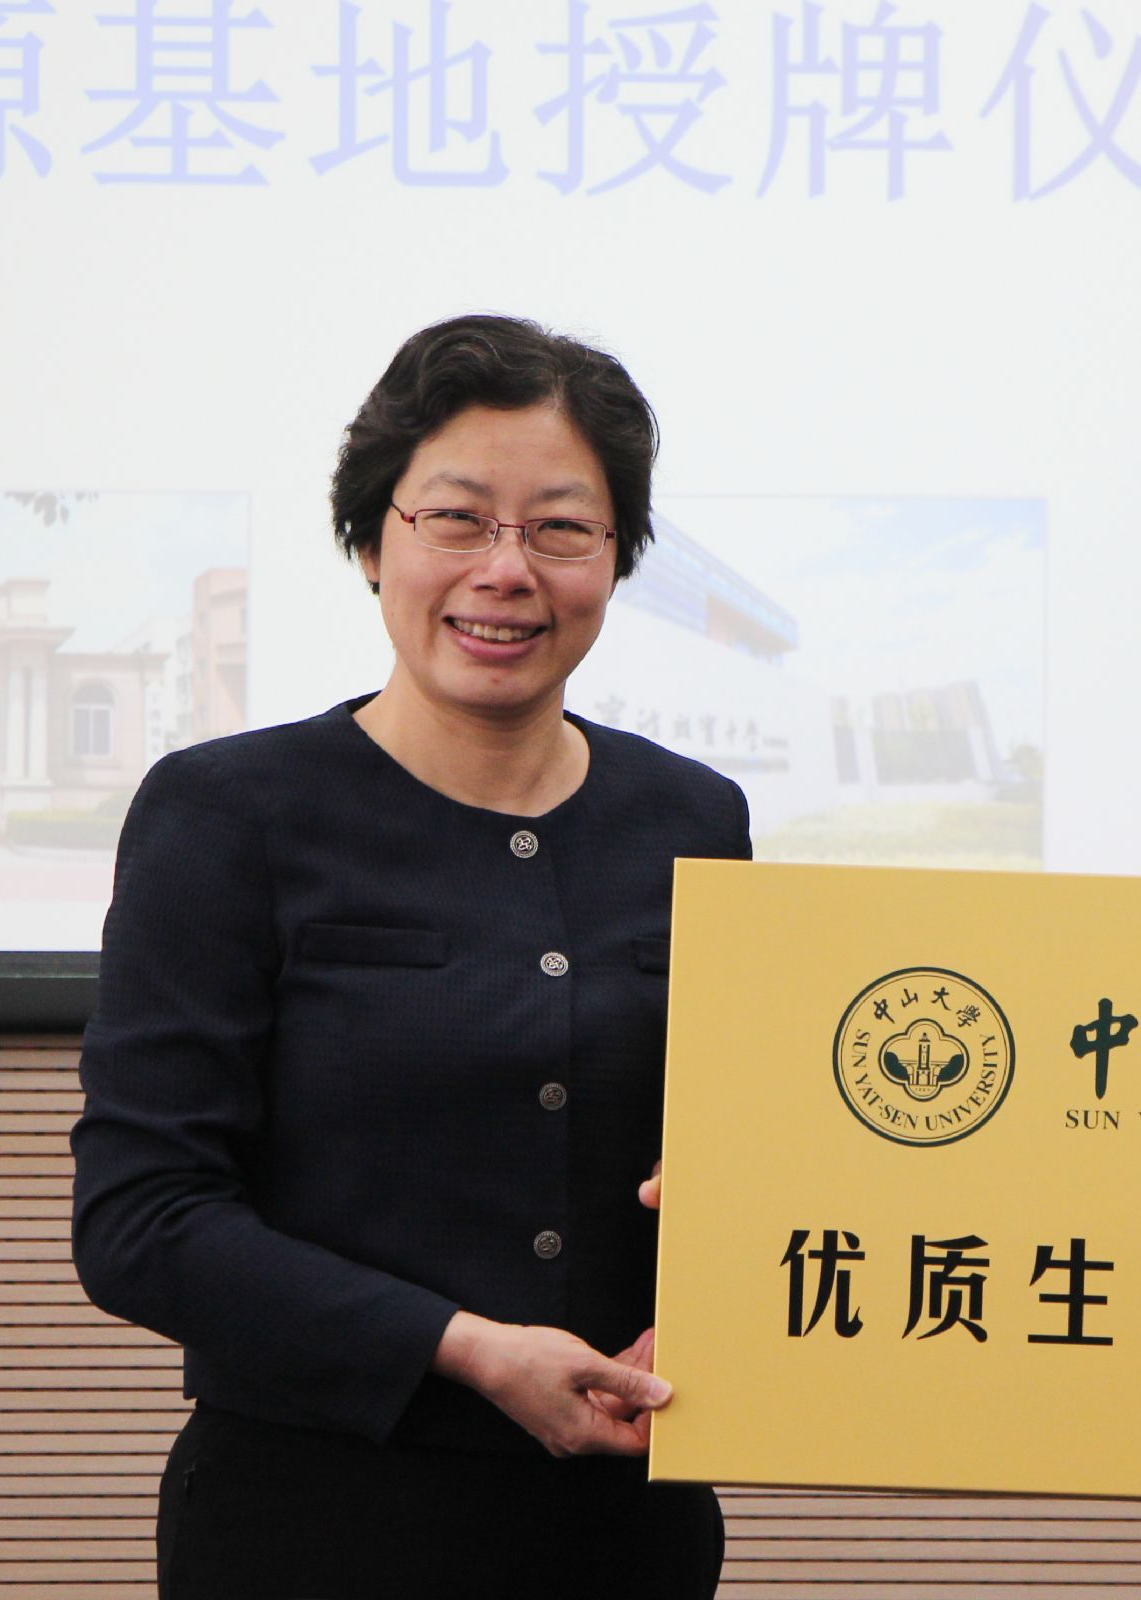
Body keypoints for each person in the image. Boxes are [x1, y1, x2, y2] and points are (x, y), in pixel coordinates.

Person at [72, 314, 750, 1599]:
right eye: (456, 518)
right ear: (373, 537)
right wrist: (469, 1348)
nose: (507, 569)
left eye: (562, 528)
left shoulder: (694, 819)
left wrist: (723, 1290)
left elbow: (743, 1157)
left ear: (618, 558)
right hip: (310, 1522)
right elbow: (141, 1219)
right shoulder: (228, 813)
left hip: (623, 1530)